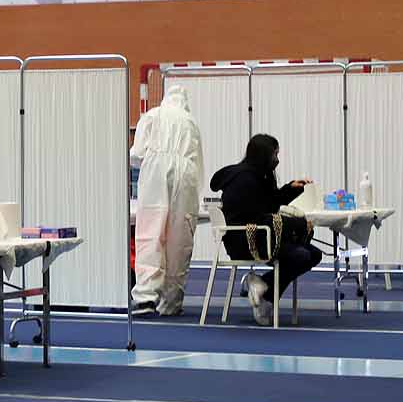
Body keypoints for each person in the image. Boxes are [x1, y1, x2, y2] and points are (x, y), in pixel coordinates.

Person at [209, 133, 321, 326]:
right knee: (301, 255)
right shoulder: (246, 180)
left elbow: (269, 205)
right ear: (263, 156)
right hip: (247, 242)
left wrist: (291, 189)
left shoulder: (255, 176)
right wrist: (300, 225)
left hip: (259, 237)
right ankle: (264, 294)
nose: (277, 160)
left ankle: (261, 288)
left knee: (313, 254)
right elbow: (262, 219)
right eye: (274, 155)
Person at [130, 85, 204, 316]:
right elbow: (198, 162)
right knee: (179, 237)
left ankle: (145, 296)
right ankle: (171, 302)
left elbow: (137, 154)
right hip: (186, 174)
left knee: (150, 232)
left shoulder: (152, 115)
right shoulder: (191, 122)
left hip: (156, 169)